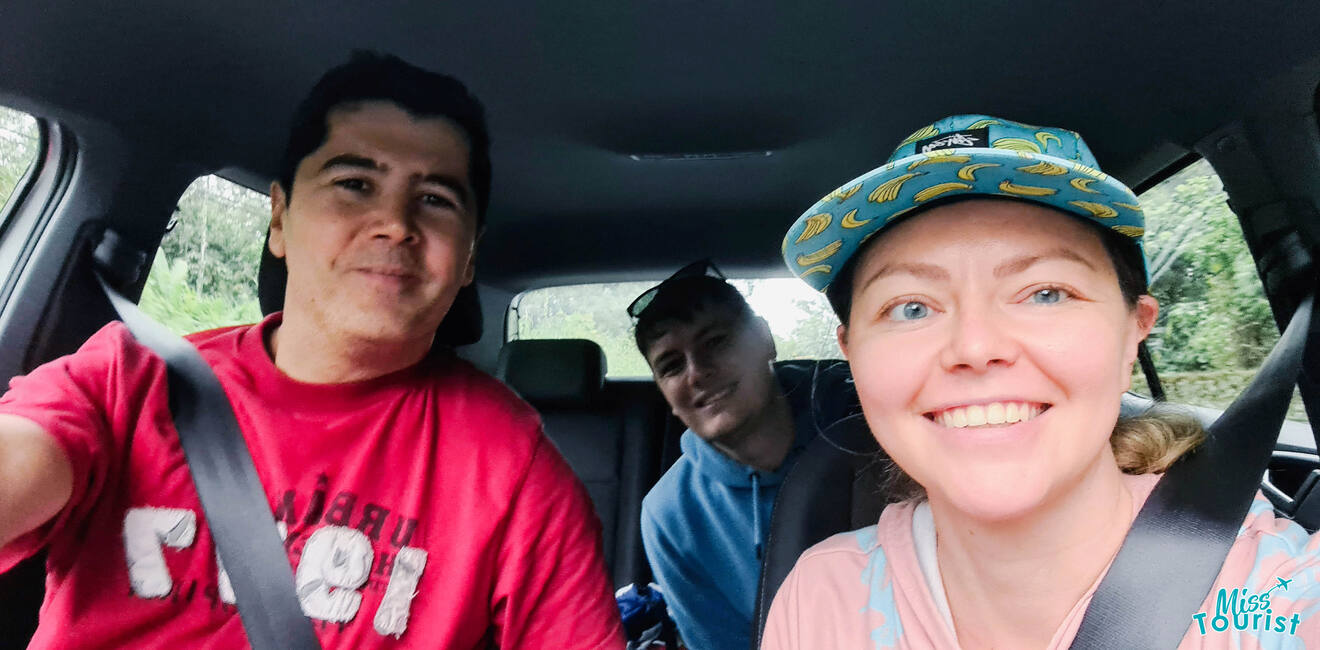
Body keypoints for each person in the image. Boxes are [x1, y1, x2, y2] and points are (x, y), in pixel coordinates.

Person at [0, 52, 624, 648]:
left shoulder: (514, 468)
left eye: (435, 200)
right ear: (279, 218)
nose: (396, 224)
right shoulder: (126, 380)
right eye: (354, 183)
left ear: (467, 260)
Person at [763, 114, 1320, 648]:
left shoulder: (1279, 595)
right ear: (852, 354)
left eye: (1046, 293)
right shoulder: (821, 595)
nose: (975, 348)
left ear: (1134, 330)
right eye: (911, 308)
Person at [630, 260, 857, 650]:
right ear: (665, 394)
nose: (696, 373)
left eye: (715, 342)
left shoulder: (862, 424)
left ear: (765, 340)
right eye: (671, 366)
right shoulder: (668, 515)